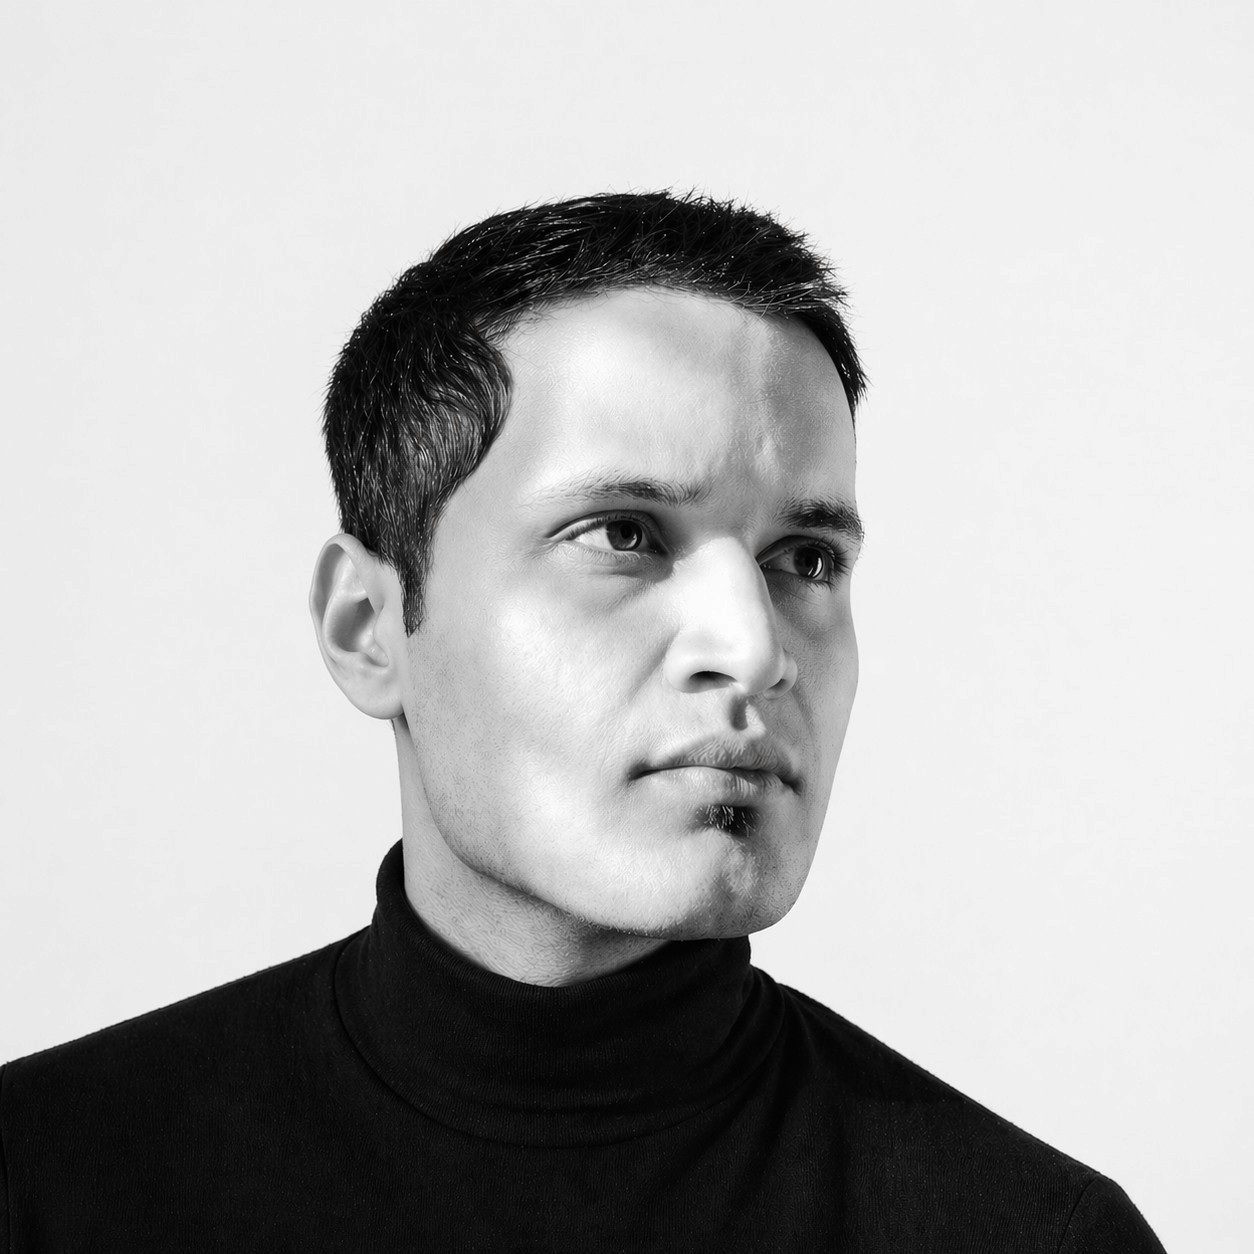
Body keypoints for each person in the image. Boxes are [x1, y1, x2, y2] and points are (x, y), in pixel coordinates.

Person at [0, 192, 1165, 1250]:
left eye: (806, 558)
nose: (754, 649)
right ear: (369, 626)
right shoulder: (46, 1183)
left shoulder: (1032, 1238)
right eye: (622, 535)